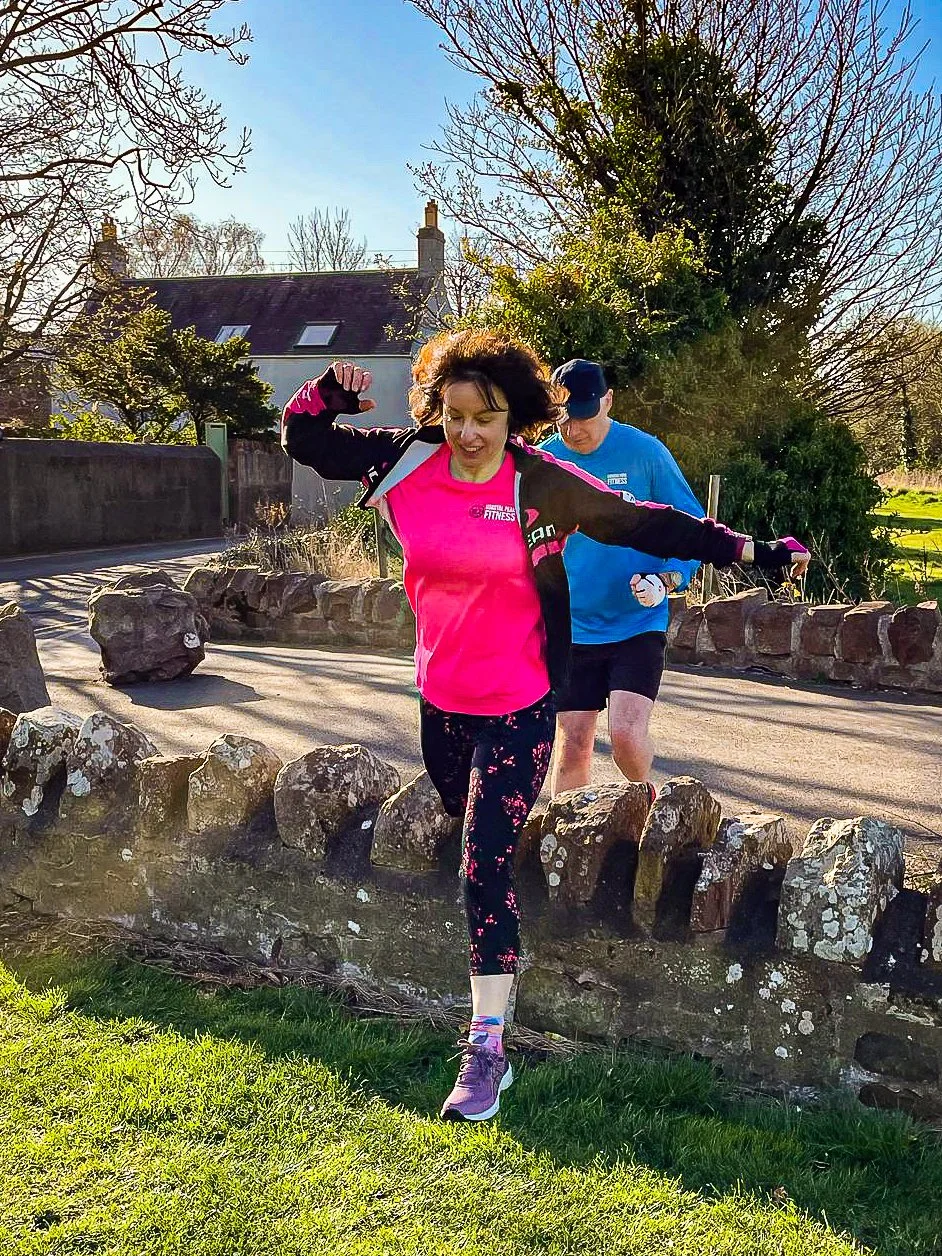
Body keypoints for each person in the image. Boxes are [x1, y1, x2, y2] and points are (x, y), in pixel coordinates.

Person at [281, 329, 809, 1123]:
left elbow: (644, 522)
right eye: (454, 414)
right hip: (442, 703)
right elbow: (305, 439)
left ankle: (486, 1048)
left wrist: (751, 549)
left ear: (514, 418)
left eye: (484, 417)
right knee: (479, 844)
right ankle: (518, 896)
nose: (466, 433)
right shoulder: (407, 460)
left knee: (481, 867)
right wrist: (328, 389)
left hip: (522, 704)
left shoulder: (539, 483)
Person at [540, 358, 706, 797]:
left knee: (627, 741)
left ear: (608, 401)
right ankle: (569, 841)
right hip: (572, 628)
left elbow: (695, 529)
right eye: (562, 418)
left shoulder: (646, 453)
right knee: (573, 745)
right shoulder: (544, 461)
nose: (572, 429)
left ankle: (647, 811)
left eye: (583, 416)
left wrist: (667, 579)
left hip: (637, 622)